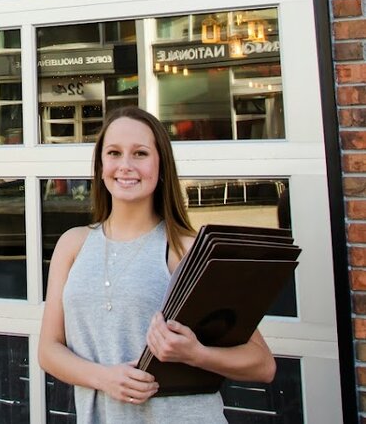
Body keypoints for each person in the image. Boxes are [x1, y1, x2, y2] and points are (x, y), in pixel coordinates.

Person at [38, 106, 276, 422]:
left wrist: (196, 353)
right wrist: (104, 378)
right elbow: (48, 350)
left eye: (140, 153)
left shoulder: (186, 249)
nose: (125, 165)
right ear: (100, 165)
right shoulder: (73, 245)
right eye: (114, 153)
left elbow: (262, 364)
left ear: (160, 166)